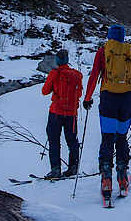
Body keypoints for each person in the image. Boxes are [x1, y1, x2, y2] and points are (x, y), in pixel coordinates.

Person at [83, 24, 131, 201]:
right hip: (126, 100)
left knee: (107, 138)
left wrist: (87, 98)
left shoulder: (103, 52)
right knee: (121, 138)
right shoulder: (130, 53)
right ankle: (122, 176)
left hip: (108, 98)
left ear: (109, 36)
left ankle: (106, 179)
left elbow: (94, 76)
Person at [41, 48, 83, 179]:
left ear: (57, 60)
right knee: (72, 140)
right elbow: (80, 93)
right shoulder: (76, 75)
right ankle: (73, 167)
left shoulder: (54, 73)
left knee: (54, 140)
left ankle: (55, 170)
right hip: (71, 113)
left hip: (56, 112)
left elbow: (44, 91)